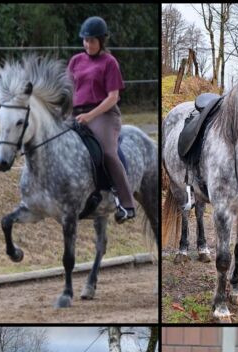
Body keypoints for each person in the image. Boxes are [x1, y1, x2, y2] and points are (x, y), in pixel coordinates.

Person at [68, 16, 136, 224]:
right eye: (85, 40)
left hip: (104, 114)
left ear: (101, 41)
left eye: (92, 41)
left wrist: (90, 116)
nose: (88, 44)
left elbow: (113, 97)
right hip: (77, 112)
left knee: (107, 152)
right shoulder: (75, 61)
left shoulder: (109, 63)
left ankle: (127, 204)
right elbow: (68, 89)